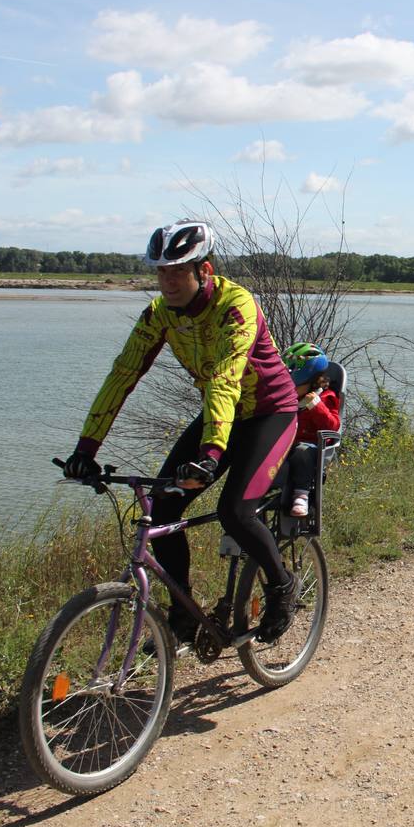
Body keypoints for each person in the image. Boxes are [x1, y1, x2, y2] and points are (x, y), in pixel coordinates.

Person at [60, 220, 301, 645]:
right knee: (163, 508)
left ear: (203, 271)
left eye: (177, 271)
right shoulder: (159, 315)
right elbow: (123, 375)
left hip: (269, 413)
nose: (168, 281)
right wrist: (86, 449)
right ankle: (183, 612)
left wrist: (210, 454)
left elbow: (226, 378)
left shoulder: (236, 306)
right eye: (161, 272)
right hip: (218, 415)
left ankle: (282, 585)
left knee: (236, 511)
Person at [282, 342, 341, 519]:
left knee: (302, 451)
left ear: (313, 383)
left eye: (296, 384)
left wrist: (316, 406)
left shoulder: (326, 398)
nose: (292, 388)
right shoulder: (288, 397)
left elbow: (333, 426)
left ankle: (301, 495)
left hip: (312, 448)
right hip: (286, 444)